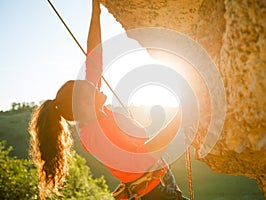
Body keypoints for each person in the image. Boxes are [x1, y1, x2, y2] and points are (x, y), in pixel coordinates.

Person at [29, 0, 189, 199]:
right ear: (83, 104)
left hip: (159, 184)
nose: (96, 86)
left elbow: (94, 57)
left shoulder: (91, 112)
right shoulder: (94, 137)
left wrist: (95, 14)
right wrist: (181, 116)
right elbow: (145, 157)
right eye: (91, 88)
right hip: (155, 194)